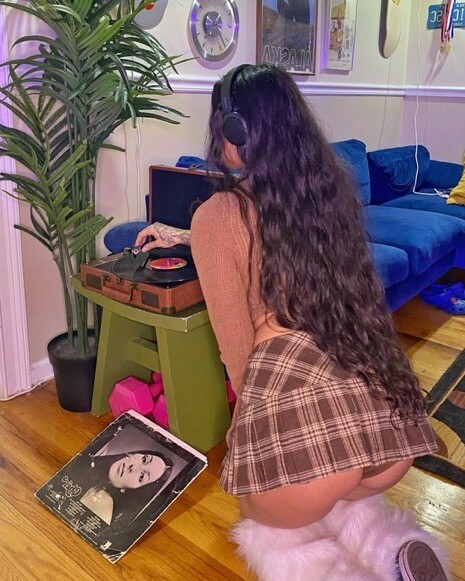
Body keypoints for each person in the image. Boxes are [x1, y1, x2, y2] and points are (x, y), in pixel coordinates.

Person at [136, 64, 447, 580]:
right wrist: (189, 237)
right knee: (348, 494)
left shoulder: (217, 215)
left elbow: (237, 350)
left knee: (266, 521)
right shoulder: (328, 196)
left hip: (305, 433)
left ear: (234, 132)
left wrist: (247, 436)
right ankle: (395, 552)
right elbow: (270, 240)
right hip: (389, 436)